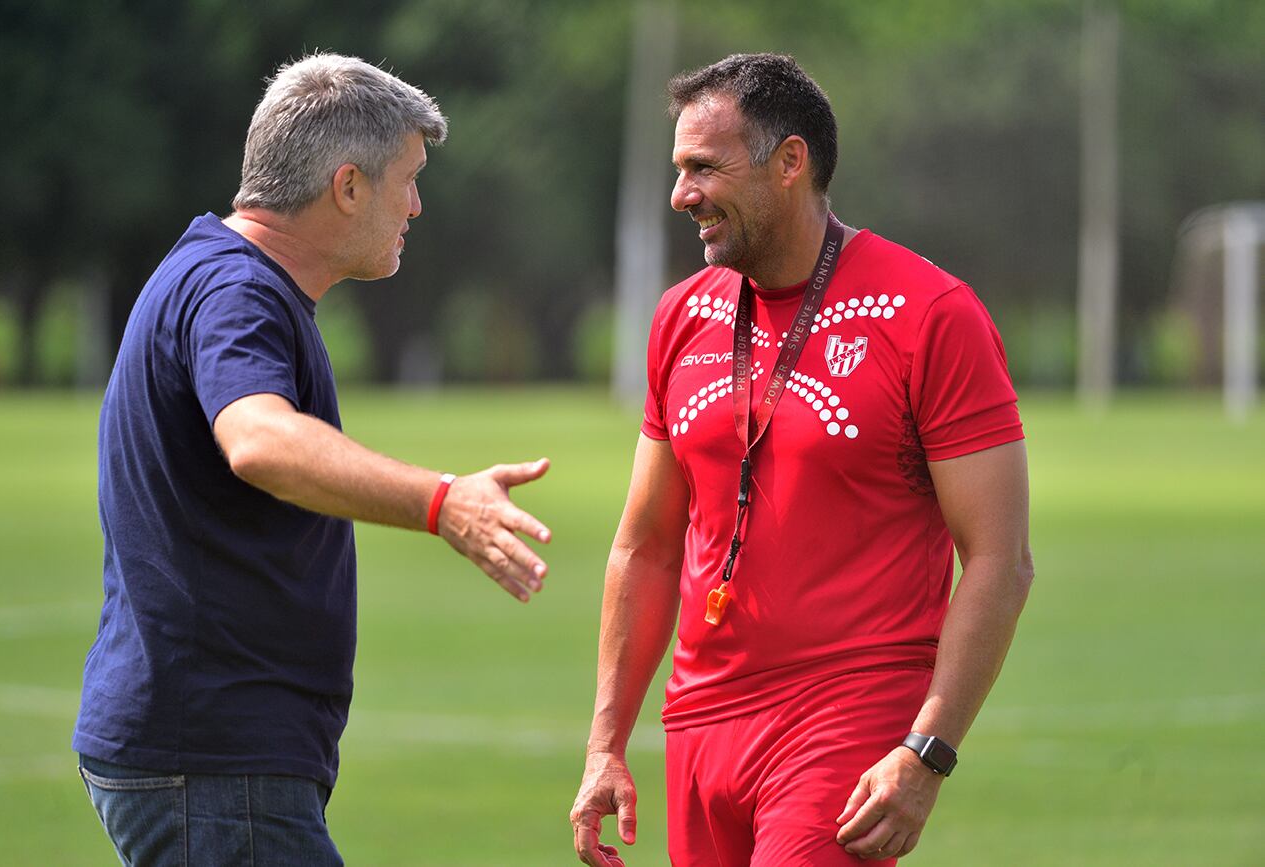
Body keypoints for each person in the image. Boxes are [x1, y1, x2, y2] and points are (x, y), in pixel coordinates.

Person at [73, 53, 553, 865]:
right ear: (348, 185)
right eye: (407, 178)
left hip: (211, 756)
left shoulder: (218, 274)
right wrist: (444, 503)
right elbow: (259, 438)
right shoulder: (236, 289)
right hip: (215, 761)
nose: (417, 203)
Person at [571, 53, 1033, 866]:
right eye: (679, 169)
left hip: (846, 718)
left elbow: (999, 558)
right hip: (701, 724)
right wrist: (605, 743)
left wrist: (927, 750)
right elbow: (644, 543)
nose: (682, 195)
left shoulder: (929, 314)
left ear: (791, 163)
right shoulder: (682, 317)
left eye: (704, 168)